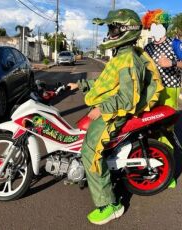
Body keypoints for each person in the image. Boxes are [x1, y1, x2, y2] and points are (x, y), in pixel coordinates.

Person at [68, 9, 163, 225]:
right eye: (110, 28)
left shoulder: (128, 59)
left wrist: (101, 109)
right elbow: (107, 85)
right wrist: (80, 85)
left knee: (90, 151)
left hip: (114, 112)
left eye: (113, 28)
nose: (110, 32)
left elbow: (128, 99)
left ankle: (110, 205)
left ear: (126, 30)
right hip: (108, 107)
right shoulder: (121, 56)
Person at [142, 9, 182, 188]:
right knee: (150, 130)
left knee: (167, 131)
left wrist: (172, 63)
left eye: (158, 25)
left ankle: (169, 172)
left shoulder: (175, 44)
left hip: (170, 90)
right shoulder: (148, 48)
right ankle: (153, 166)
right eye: (152, 26)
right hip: (152, 92)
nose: (155, 28)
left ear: (164, 26)